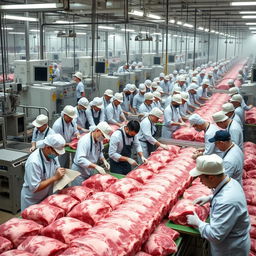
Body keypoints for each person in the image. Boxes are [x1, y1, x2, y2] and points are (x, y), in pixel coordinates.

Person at [187, 154, 250, 256]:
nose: (201, 182)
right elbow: (223, 197)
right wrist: (210, 198)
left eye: (201, 178)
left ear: (211, 177)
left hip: (230, 250)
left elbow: (215, 235)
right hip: (230, 243)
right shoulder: (231, 182)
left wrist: (198, 223)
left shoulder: (227, 201)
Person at [21, 134, 66, 211]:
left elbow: (57, 167)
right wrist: (55, 177)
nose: (58, 155)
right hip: (32, 200)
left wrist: (59, 171)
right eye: (56, 152)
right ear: (47, 147)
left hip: (45, 195)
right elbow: (35, 188)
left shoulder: (52, 155)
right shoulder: (34, 162)